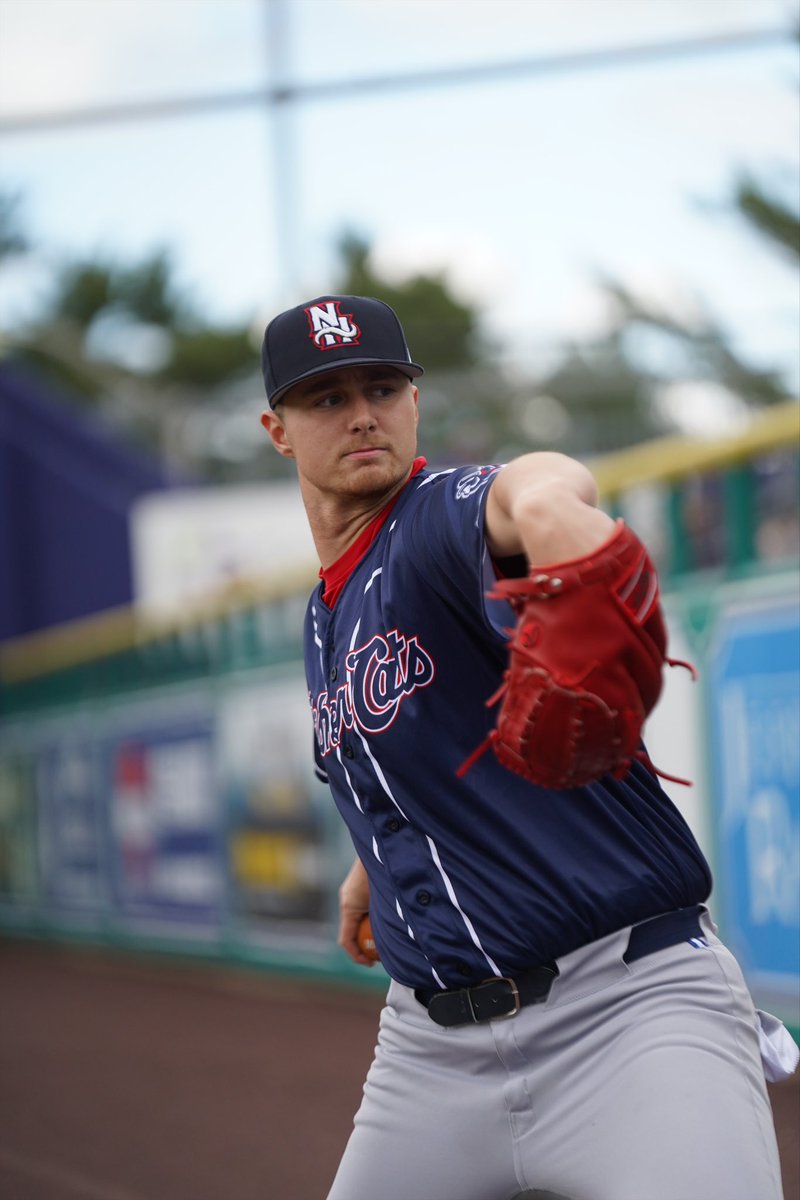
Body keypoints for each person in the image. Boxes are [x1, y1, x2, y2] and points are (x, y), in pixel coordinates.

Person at [259, 295, 792, 1200]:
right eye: (326, 398)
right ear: (278, 431)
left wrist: (551, 503)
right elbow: (399, 755)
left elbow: (524, 487)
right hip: (429, 1054)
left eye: (382, 387)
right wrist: (374, 865)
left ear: (414, 403)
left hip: (626, 1012)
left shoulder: (438, 520)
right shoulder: (324, 613)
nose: (360, 414)